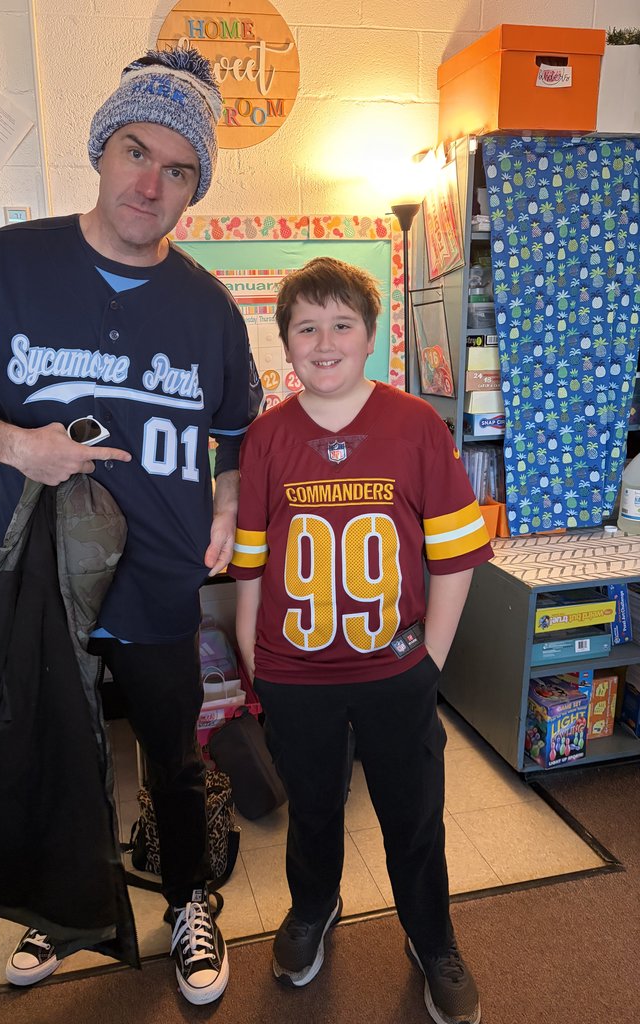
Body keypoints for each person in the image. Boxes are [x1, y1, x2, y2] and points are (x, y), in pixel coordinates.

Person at [0, 46, 262, 1006]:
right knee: (51, 748)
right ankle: (57, 908)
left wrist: (226, 499)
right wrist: (15, 444)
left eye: (179, 170)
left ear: (195, 189)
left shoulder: (210, 308)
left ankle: (189, 900)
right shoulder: (7, 265)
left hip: (162, 578)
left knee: (174, 758)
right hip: (45, 572)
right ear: (102, 151)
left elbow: (239, 429)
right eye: (136, 152)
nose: (151, 184)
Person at [228, 257, 492, 1024]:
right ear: (285, 343)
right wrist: (256, 664)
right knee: (312, 810)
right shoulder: (266, 438)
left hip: (394, 670)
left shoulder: (416, 426)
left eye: (342, 324)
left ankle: (432, 936)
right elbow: (251, 570)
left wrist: (430, 661)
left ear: (371, 336)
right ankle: (313, 908)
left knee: (414, 814)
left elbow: (455, 557)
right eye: (306, 327)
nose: (325, 342)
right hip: (294, 674)